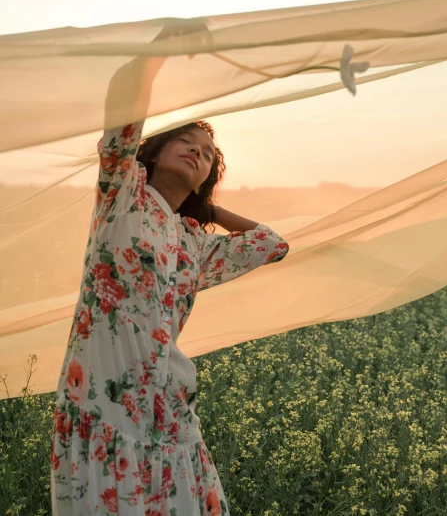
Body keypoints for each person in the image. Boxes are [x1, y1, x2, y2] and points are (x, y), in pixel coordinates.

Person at [49, 26, 290, 515]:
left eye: (205, 155)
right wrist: (159, 49)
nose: (196, 151)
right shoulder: (123, 194)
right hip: (104, 402)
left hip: (170, 408)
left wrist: (206, 209)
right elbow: (123, 104)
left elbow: (272, 244)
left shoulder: (193, 244)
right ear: (154, 150)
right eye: (185, 140)